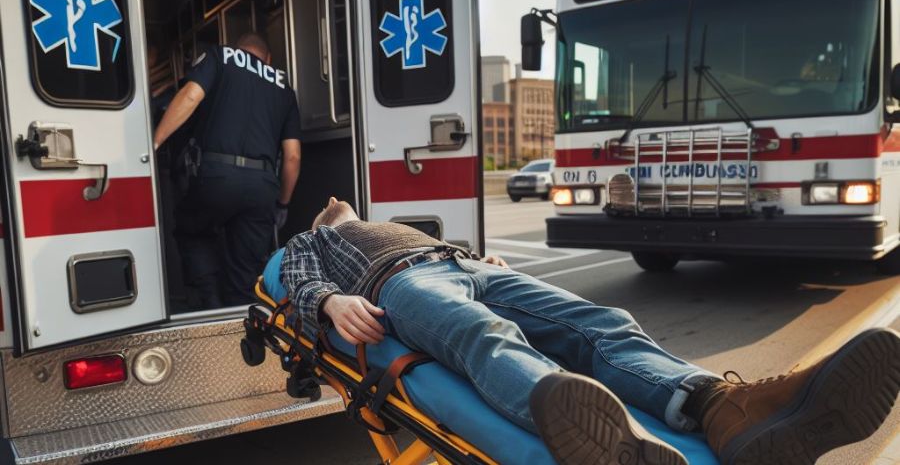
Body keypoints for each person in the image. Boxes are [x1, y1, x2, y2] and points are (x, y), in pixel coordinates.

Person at [280, 197, 900, 465]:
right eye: (335, 208)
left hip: (461, 264)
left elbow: (464, 255)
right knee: (483, 335)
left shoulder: (402, 225)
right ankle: (608, 441)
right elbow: (299, 281)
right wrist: (333, 303)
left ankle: (724, 407)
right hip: (400, 288)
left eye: (347, 207)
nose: (343, 207)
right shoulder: (319, 238)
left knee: (604, 324)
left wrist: (483, 260)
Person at [155, 32, 301, 308]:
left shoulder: (220, 56)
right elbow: (292, 157)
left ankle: (209, 302)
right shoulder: (283, 85)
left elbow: (189, 97)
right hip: (262, 186)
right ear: (268, 58)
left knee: (194, 232)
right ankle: (239, 325)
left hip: (214, 176)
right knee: (245, 272)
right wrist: (283, 203)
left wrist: (154, 142)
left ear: (240, 50)